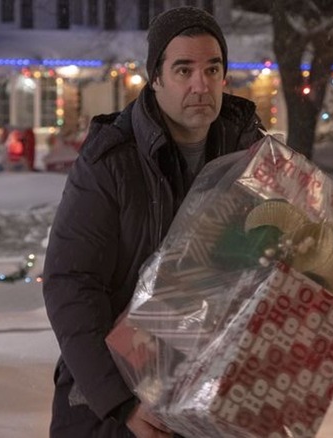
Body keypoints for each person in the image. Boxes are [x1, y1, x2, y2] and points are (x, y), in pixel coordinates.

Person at [42, 6, 266, 437]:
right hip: (113, 407)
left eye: (212, 68)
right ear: (156, 78)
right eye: (183, 69)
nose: (200, 85)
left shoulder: (252, 157)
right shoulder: (111, 162)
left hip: (211, 402)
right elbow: (71, 283)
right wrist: (121, 402)